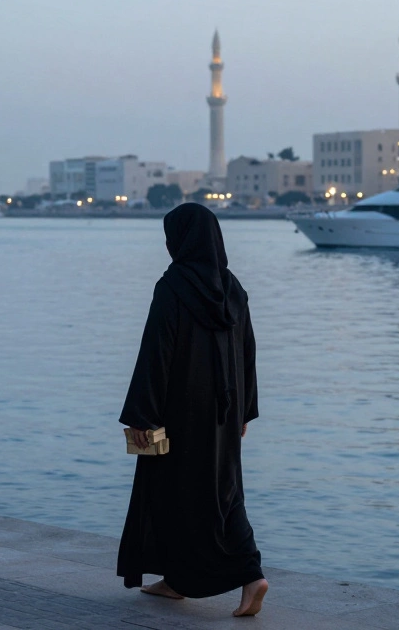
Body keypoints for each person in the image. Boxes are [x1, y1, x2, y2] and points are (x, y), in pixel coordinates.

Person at [117, 202, 268, 617]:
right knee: (226, 494)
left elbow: (156, 354)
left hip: (177, 415)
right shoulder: (233, 288)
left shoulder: (174, 286)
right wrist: (243, 413)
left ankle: (183, 579)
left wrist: (142, 417)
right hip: (224, 415)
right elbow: (248, 353)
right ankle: (243, 577)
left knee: (171, 495)